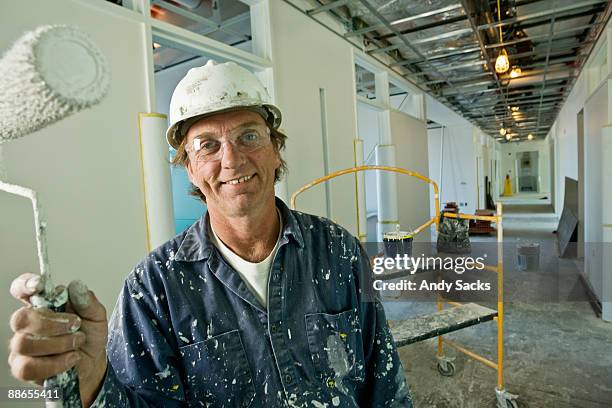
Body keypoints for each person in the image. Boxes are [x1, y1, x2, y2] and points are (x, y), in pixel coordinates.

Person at [8, 60, 412, 407]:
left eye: (248, 136)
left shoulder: (338, 250)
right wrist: (94, 381)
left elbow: (385, 381)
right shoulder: (153, 288)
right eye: (207, 146)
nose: (232, 159)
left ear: (276, 149)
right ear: (190, 168)